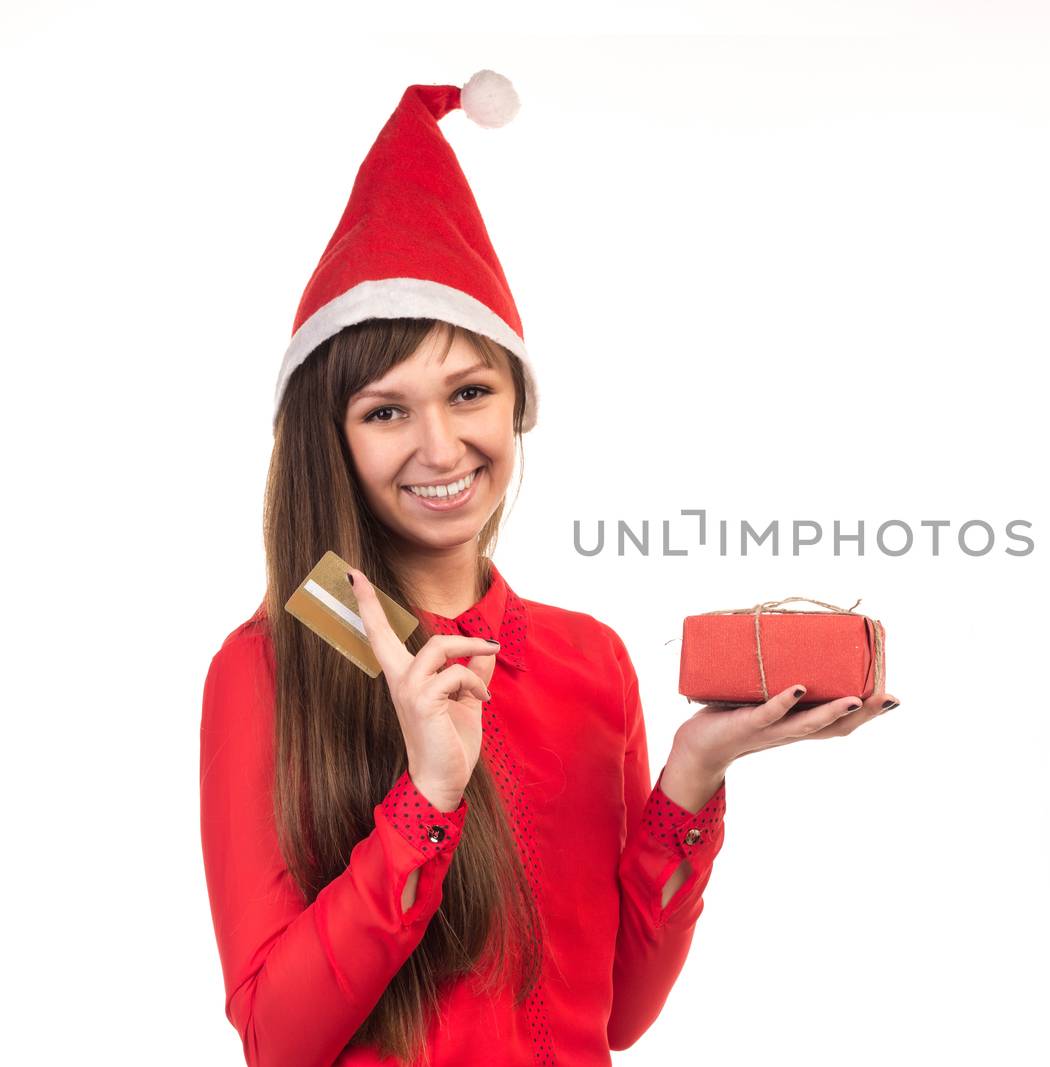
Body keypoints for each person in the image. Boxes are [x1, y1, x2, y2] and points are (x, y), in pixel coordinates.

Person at [197, 71, 899, 1067]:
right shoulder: (267, 667)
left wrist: (694, 772)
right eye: (385, 409)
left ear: (516, 402)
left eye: (470, 390)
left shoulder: (589, 660)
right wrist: (428, 798)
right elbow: (278, 1038)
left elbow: (612, 1016)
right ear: (334, 439)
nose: (441, 448)